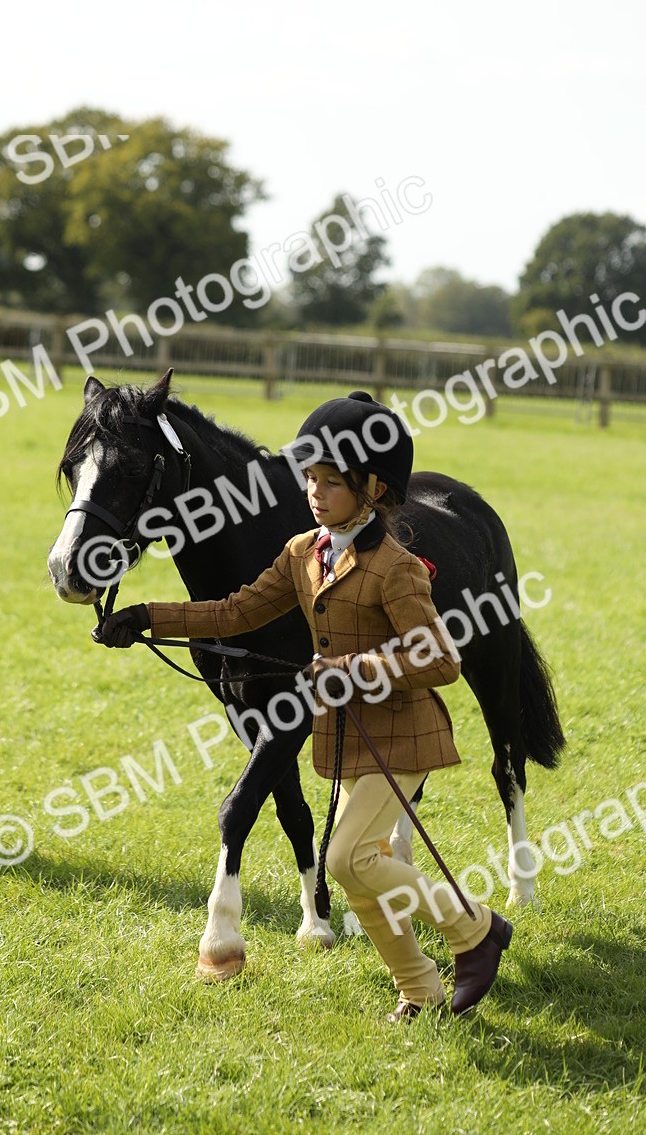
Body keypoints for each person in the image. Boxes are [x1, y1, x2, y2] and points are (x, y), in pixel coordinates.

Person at [97, 390, 512, 1021]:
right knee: (354, 872)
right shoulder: (304, 553)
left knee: (346, 859)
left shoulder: (397, 569)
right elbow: (235, 612)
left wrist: (349, 669)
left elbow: (441, 662)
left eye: (331, 481)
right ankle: (419, 988)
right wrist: (148, 616)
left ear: (372, 489)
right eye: (309, 478)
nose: (315, 491)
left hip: (401, 736)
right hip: (348, 739)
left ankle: (476, 930)